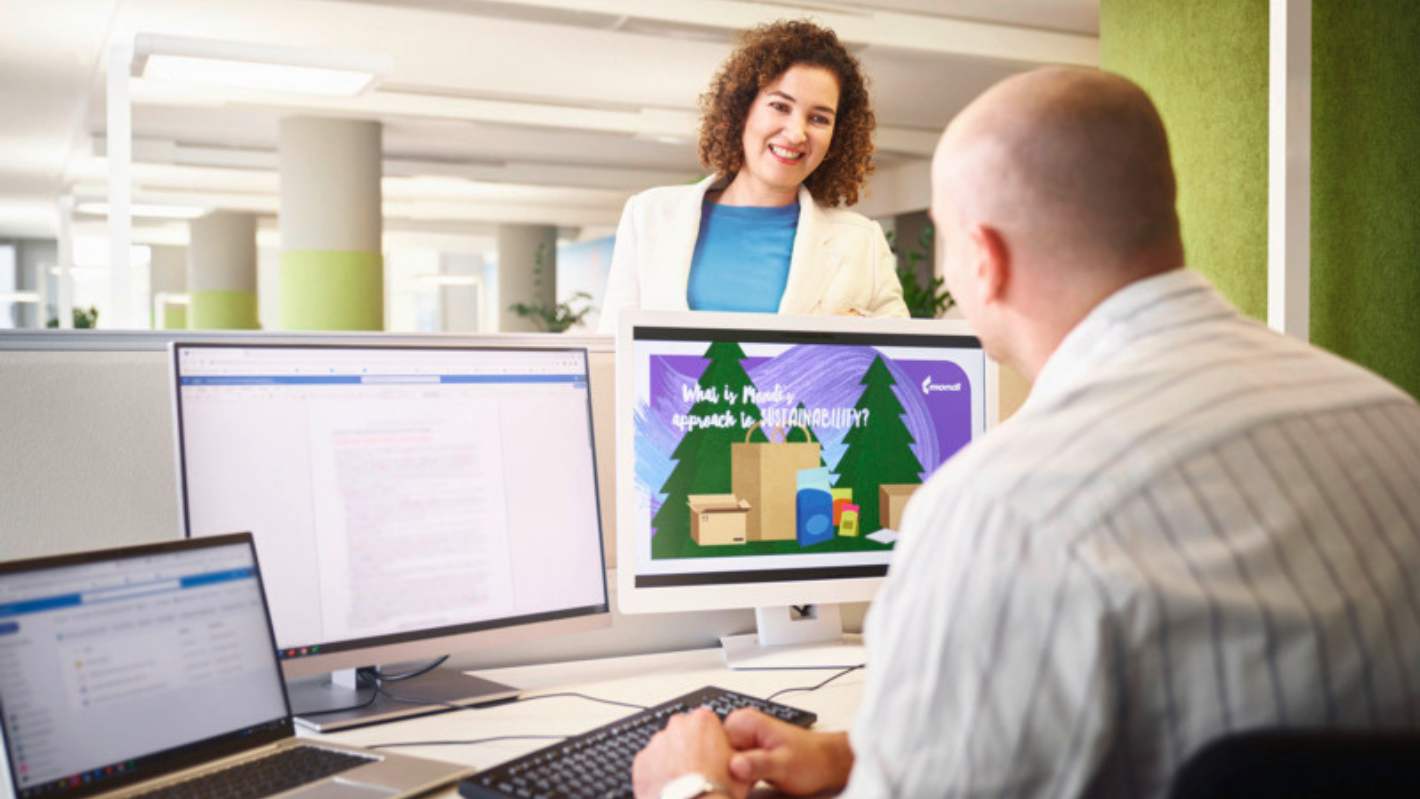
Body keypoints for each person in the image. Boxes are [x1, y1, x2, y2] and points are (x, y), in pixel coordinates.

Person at [632, 65, 1420, 799]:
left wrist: (686, 787)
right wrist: (864, 749)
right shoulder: (1393, 420)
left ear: (985, 259)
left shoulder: (1003, 513)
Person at [596, 20, 907, 333]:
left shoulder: (860, 242)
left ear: (836, 137)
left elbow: (906, 362)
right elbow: (613, 352)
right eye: (780, 106)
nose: (797, 133)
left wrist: (855, 335)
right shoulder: (650, 215)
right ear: (742, 110)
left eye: (818, 118)